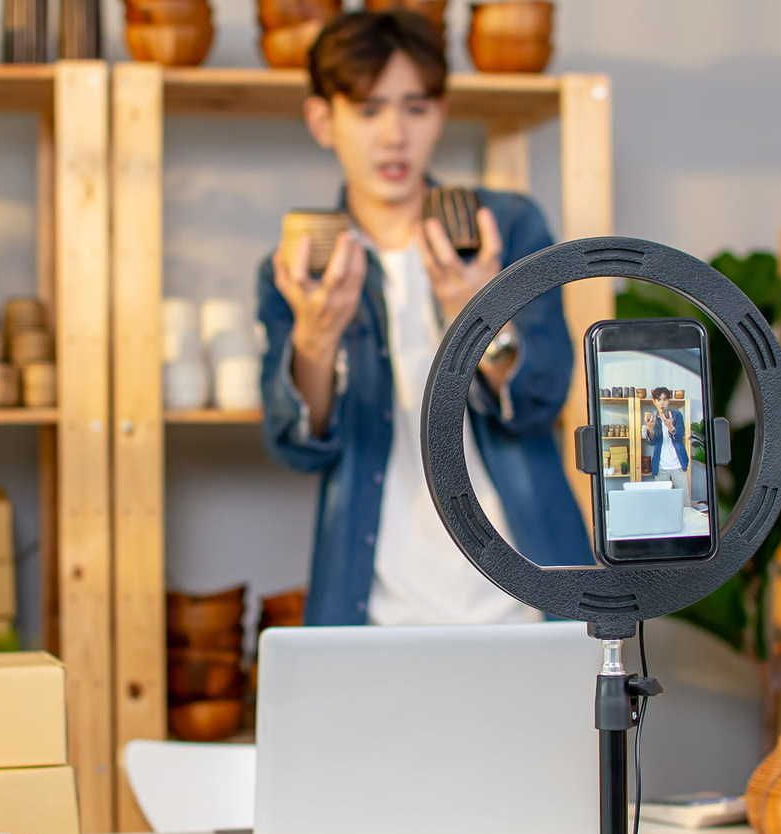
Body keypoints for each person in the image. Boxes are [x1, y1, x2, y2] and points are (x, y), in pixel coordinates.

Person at [256, 10, 590, 627]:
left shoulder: (507, 228)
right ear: (322, 119)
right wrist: (314, 339)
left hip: (527, 597)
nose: (393, 136)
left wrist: (478, 320)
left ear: (441, 112)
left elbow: (542, 399)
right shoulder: (300, 267)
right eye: (369, 109)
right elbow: (297, 445)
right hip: (375, 608)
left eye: (415, 108)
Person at [644, 387, 691, 507]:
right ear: (654, 401)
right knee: (661, 503)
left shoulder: (677, 415)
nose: (662, 402)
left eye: (664, 399)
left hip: (678, 465)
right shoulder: (652, 418)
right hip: (661, 467)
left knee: (685, 503)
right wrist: (649, 429)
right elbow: (652, 442)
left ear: (668, 401)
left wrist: (670, 427)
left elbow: (680, 437)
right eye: (658, 399)